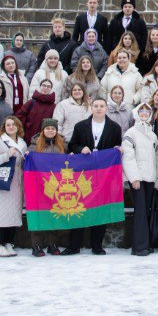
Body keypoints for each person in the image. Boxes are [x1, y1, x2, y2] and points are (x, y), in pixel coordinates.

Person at [65, 97, 124, 255]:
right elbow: (72, 145)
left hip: (103, 175)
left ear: (106, 108)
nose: (98, 108)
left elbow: (117, 146)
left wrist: (118, 150)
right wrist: (81, 149)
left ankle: (97, 246)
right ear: (91, 108)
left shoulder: (115, 128)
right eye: (96, 106)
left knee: (100, 209)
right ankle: (74, 245)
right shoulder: (80, 126)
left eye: (101, 106)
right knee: (78, 207)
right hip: (83, 174)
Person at [0, 115, 27, 257]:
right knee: (0, 214)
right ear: (4, 127)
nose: (11, 127)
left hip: (16, 183)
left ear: (18, 127)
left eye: (13, 124)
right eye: (8, 125)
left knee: (13, 214)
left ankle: (9, 242)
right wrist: (6, 155)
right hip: (1, 182)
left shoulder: (22, 143)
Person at [120, 102, 158, 256]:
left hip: (150, 177)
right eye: (141, 111)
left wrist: (157, 179)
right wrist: (134, 178)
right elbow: (128, 157)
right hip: (138, 177)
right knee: (140, 211)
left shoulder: (152, 134)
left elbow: (155, 158)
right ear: (137, 114)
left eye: (147, 112)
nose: (144, 114)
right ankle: (139, 246)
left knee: (147, 210)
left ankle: (146, 243)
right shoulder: (131, 133)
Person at [27, 118, 66, 257]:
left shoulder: (62, 145)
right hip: (38, 185)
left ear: (56, 130)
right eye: (48, 128)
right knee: (38, 214)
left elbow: (69, 161)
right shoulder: (34, 145)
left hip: (56, 185)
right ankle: (36, 244)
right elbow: (26, 164)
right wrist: (26, 158)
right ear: (43, 130)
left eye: (53, 128)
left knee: (54, 213)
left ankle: (52, 243)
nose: (50, 131)